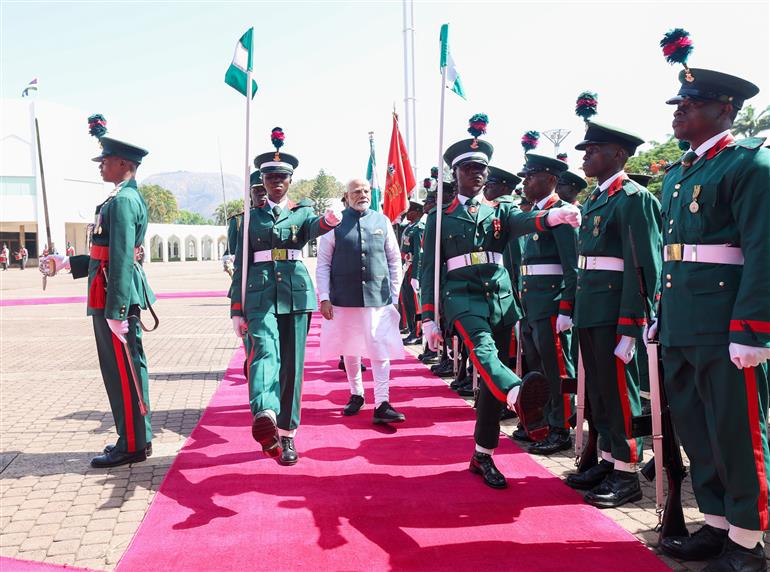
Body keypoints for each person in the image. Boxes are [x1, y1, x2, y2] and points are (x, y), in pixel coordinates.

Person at [649, 68, 770, 571]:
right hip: (683, 322)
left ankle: (747, 542)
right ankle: (718, 523)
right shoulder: (679, 173)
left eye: (690, 104)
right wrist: (661, 312)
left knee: (736, 434)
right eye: (679, 104)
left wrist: (753, 328)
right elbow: (671, 255)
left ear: (725, 110)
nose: (679, 111)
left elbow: (763, 249)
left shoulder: (749, 165)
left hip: (725, 326)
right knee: (698, 433)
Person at [420, 134, 580, 489]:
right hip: (462, 297)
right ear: (456, 173)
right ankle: (517, 393)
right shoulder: (440, 218)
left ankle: (483, 454)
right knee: (484, 352)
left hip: (501, 300)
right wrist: (428, 316)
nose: (477, 175)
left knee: (491, 381)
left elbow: (528, 223)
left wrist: (554, 216)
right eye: (470, 169)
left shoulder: (501, 211)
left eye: (482, 169)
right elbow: (428, 269)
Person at [40, 131, 156, 468]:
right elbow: (104, 252)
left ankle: (132, 444)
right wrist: (67, 263)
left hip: (113, 296)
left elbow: (120, 257)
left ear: (123, 164)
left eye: (105, 160)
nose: (101, 165)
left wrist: (117, 308)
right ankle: (136, 436)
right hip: (108, 291)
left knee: (123, 372)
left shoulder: (122, 201)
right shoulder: (122, 198)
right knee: (125, 369)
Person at [565, 121, 662, 510]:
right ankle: (607, 460)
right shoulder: (595, 199)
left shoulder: (633, 198)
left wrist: (632, 323)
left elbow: (644, 267)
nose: (586, 156)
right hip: (592, 309)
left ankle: (627, 472)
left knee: (621, 395)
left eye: (594, 149)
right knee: (602, 394)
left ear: (619, 155)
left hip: (615, 314)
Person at [229, 130, 340, 466]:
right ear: (262, 180)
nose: (276, 182)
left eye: (282, 177)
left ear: (290, 181)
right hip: (259, 294)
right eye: (270, 177)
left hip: (295, 292)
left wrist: (331, 218)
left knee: (292, 366)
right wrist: (236, 309)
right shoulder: (248, 219)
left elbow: (315, 228)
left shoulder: (302, 212)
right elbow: (241, 265)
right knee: (264, 350)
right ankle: (264, 411)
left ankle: (288, 435)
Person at [317, 179, 406, 423]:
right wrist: (324, 297)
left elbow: (394, 260)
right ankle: (356, 393)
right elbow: (323, 263)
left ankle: (382, 402)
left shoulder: (382, 220)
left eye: (366, 191)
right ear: (346, 195)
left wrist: (395, 296)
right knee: (350, 348)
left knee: (379, 347)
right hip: (343, 298)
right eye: (356, 191)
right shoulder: (334, 224)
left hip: (378, 297)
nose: (362, 195)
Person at [516, 153, 578, 455]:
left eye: (531, 176)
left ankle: (561, 426)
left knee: (557, 369)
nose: (525, 181)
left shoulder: (562, 214)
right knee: (539, 368)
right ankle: (542, 422)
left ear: (551, 180)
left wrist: (567, 306)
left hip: (552, 303)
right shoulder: (533, 216)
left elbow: (572, 267)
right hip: (533, 303)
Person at [400, 197, 425, 345]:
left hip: (413, 270)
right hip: (406, 268)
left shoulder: (419, 228)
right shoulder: (409, 227)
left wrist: (416, 275)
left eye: (409, 211)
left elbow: (419, 253)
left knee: (415, 305)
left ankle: (417, 332)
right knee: (407, 302)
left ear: (417, 212)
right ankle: (411, 330)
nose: (407, 213)